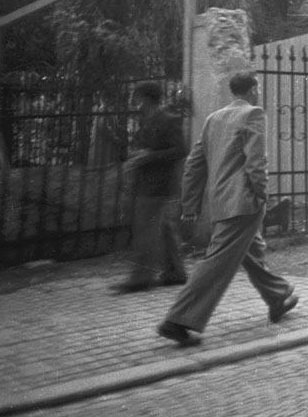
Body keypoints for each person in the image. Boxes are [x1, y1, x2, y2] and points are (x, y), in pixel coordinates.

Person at [157, 72, 298, 347]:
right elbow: (256, 162)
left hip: (222, 202)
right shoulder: (254, 114)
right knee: (218, 260)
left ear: (233, 91)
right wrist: (262, 194)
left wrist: (191, 204)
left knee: (252, 250)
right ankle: (177, 320)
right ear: (254, 90)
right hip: (244, 201)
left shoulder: (214, 119)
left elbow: (194, 164)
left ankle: (278, 297)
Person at [112, 82, 189, 293]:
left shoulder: (168, 120)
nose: (135, 103)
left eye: (137, 98)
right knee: (164, 230)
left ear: (145, 98)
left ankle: (140, 279)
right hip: (151, 183)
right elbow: (154, 149)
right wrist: (141, 155)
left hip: (158, 186)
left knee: (146, 231)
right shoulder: (148, 120)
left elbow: (180, 150)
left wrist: (148, 157)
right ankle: (175, 273)